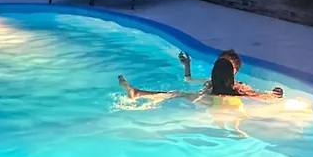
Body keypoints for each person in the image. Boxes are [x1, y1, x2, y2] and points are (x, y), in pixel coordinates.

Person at [118, 49, 283, 105]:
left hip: (217, 104)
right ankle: (137, 93)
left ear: (234, 71)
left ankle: (137, 93)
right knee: (177, 93)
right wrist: (187, 65)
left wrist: (273, 95)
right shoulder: (212, 82)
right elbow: (189, 80)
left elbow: (256, 95)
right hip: (207, 101)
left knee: (177, 93)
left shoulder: (239, 86)